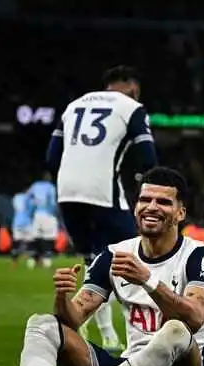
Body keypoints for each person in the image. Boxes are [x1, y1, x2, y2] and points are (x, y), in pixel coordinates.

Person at [0, 167, 204, 366]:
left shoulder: (200, 257)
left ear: (181, 213)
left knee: (175, 330)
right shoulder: (114, 255)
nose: (151, 207)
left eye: (163, 202)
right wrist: (62, 299)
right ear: (135, 206)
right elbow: (73, 319)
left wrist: (148, 280)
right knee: (43, 324)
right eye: (145, 200)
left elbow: (195, 317)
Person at [47, 65, 158, 351]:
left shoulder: (74, 106)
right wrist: (139, 185)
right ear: (133, 89)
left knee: (92, 262)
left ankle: (104, 334)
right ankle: (138, 336)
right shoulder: (132, 106)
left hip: (67, 192)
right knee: (129, 259)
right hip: (103, 193)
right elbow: (148, 157)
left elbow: (51, 157)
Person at [27, 172, 59, 268]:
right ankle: (46, 259)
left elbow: (28, 198)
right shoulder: (51, 187)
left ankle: (33, 259)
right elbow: (53, 202)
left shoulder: (35, 186)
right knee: (49, 237)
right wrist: (54, 213)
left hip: (37, 214)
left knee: (36, 236)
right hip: (48, 214)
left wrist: (31, 211)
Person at [11, 190, 35, 267]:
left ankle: (14, 262)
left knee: (17, 242)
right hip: (27, 222)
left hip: (17, 222)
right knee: (29, 242)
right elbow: (31, 210)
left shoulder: (16, 197)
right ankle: (31, 259)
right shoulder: (30, 198)